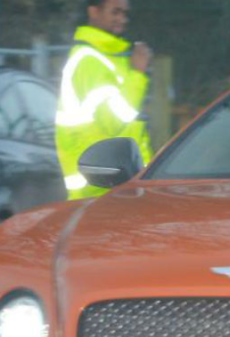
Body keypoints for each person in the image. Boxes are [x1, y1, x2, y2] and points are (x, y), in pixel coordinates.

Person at [55, 0, 153, 199]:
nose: (122, 19)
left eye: (125, 13)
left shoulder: (110, 58)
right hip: (98, 189)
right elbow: (113, 121)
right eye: (115, 12)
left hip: (116, 184)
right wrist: (138, 74)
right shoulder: (89, 60)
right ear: (94, 11)